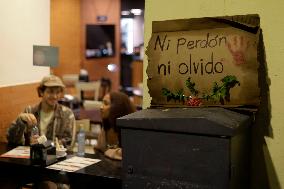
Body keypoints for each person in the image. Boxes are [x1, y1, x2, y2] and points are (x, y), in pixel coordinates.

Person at [7, 75, 75, 149]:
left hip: (55, 158)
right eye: (50, 92)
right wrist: (20, 121)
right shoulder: (29, 111)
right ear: (41, 92)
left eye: (58, 92)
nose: (55, 96)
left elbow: (69, 142)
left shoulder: (67, 114)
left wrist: (43, 144)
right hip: (32, 157)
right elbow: (11, 139)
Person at [95, 91, 135, 159]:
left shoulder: (131, 130)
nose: (101, 107)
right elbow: (99, 149)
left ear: (117, 108)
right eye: (102, 103)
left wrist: (111, 152)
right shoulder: (106, 128)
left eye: (106, 103)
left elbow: (132, 154)